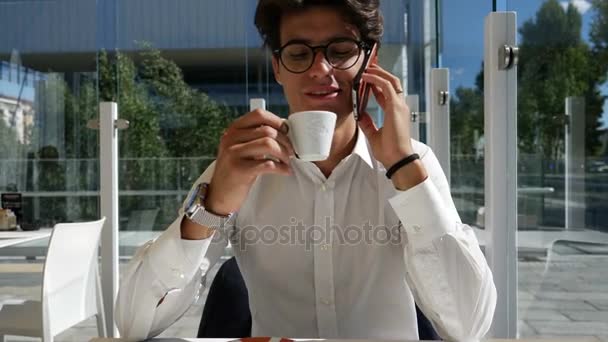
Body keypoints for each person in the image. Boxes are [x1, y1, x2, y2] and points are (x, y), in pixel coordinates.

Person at [115, 0, 497, 340]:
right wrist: (212, 208)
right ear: (278, 67)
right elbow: (134, 323)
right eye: (299, 54)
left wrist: (401, 165)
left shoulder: (413, 163)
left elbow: (471, 325)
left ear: (370, 60)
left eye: (340, 50)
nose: (321, 69)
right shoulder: (241, 166)